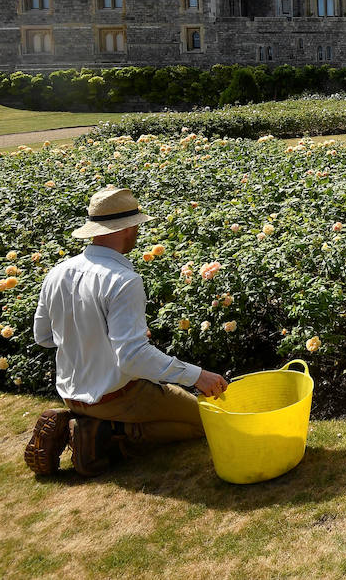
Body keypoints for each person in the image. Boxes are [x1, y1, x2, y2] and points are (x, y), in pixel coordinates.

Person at [24, 186, 228, 478]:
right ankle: (105, 437)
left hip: (71, 394)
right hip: (116, 397)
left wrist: (91, 335)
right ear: (126, 228)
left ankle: (86, 425)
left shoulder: (58, 272)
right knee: (206, 421)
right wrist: (199, 376)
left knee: (181, 410)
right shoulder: (122, 280)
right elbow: (132, 358)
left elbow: (43, 337)